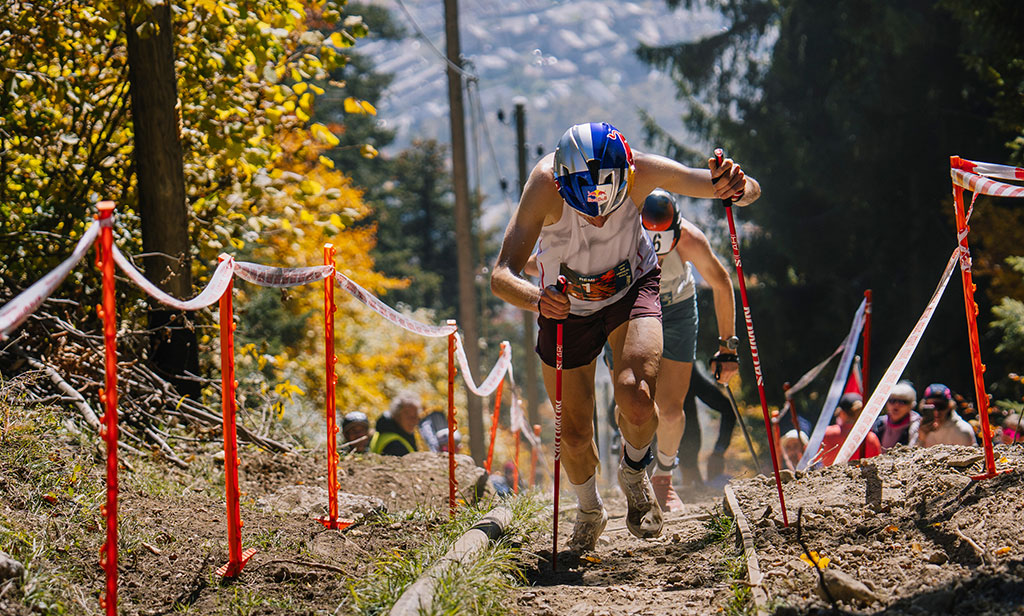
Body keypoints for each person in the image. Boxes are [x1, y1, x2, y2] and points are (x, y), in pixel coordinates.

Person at [490, 121, 759, 551]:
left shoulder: (641, 170)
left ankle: (635, 472)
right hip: (564, 308)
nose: (597, 216)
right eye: (586, 206)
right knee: (574, 435)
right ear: (563, 183)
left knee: (636, 396)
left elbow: (727, 188)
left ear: (625, 176)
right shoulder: (544, 184)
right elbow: (501, 275)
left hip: (629, 292)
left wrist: (738, 186)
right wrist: (537, 298)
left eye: (606, 206)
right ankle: (589, 509)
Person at [637, 189, 739, 512]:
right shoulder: (622, 234)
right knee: (634, 404)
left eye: (665, 247)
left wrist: (727, 349)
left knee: (670, 409)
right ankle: (635, 472)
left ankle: (664, 481)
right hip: (635, 306)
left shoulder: (690, 239)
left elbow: (722, 283)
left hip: (678, 308)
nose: (661, 258)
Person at [817, 392, 881, 467]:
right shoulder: (871, 438)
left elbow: (810, 457)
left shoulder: (827, 434)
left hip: (832, 478)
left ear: (842, 413)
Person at [917, 383, 977, 447]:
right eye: (931, 407)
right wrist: (921, 438)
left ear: (950, 406)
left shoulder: (962, 430)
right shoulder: (921, 427)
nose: (936, 412)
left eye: (941, 406)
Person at [872, 381, 920, 451]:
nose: (896, 405)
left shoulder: (917, 426)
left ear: (911, 405)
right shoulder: (879, 423)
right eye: (892, 400)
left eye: (903, 402)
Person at [370, 391, 422, 456]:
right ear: (396, 415)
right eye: (408, 416)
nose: (413, 420)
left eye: (415, 416)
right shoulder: (395, 445)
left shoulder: (386, 431)